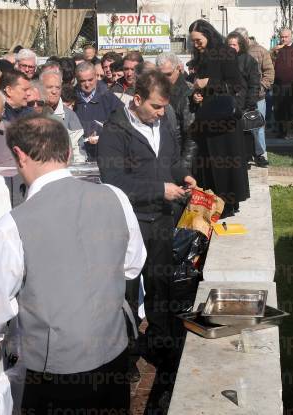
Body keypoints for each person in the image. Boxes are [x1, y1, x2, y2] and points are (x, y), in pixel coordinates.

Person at [0, 114, 146, 414]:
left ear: (20, 156)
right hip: (113, 350)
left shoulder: (13, 225)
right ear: (67, 153)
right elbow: (132, 264)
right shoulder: (115, 196)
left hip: (57, 368)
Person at [97, 70, 196, 413]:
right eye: (155, 107)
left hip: (162, 220)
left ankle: (161, 347)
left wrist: (182, 173)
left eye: (163, 108)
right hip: (129, 223)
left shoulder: (162, 122)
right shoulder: (114, 130)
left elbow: (168, 159)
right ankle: (124, 359)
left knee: (161, 285)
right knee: (126, 292)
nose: (160, 113)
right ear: (136, 100)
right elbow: (113, 180)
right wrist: (158, 189)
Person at [189, 19, 250, 218]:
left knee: (226, 164)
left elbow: (237, 85)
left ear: (208, 34)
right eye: (194, 42)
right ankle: (214, 202)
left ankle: (228, 204)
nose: (196, 44)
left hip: (225, 122)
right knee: (210, 162)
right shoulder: (201, 56)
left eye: (198, 40)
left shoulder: (225, 53)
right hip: (208, 118)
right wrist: (197, 94)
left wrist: (209, 83)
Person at [234, 27, 274, 167]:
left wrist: (259, 87)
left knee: (256, 127)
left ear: (245, 39)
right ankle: (244, 155)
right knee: (242, 128)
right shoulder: (232, 55)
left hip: (258, 97)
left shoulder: (260, 51)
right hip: (239, 99)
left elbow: (269, 72)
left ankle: (259, 154)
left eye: (238, 40)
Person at [155, 52, 197, 170]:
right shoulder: (156, 90)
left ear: (178, 69)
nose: (164, 79)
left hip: (178, 158)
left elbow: (191, 135)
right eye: (160, 75)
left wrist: (184, 167)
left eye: (168, 74)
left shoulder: (188, 93)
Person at [73, 61, 123, 160]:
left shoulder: (109, 98)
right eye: (82, 81)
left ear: (96, 76)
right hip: (78, 157)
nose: (87, 84)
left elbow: (123, 125)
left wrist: (104, 136)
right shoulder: (71, 98)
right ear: (77, 80)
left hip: (105, 156)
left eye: (90, 80)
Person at [226, 31, 261, 167]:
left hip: (244, 103)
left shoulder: (248, 60)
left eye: (234, 44)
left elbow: (254, 83)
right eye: (229, 45)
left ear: (240, 45)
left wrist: (251, 102)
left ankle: (246, 159)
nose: (231, 47)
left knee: (245, 133)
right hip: (228, 104)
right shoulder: (223, 60)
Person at [40, 70, 85, 161]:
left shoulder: (70, 116)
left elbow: (78, 152)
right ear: (40, 87)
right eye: (49, 87)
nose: (54, 91)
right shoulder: (32, 111)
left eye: (58, 88)